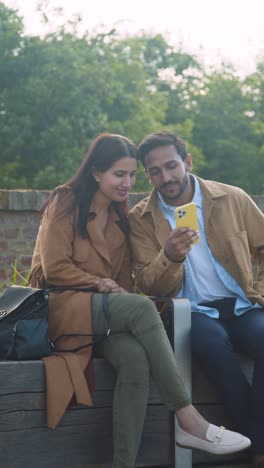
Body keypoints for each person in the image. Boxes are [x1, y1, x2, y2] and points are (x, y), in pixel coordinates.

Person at [30, 133, 250, 468]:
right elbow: (54, 267)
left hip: (104, 317)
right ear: (96, 173)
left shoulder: (122, 221)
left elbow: (124, 281)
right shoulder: (66, 201)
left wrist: (117, 289)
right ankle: (188, 418)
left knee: (135, 361)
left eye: (133, 175)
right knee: (142, 307)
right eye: (120, 174)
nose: (127, 182)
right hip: (63, 309)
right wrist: (99, 282)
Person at [128, 130, 264, 468]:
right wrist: (170, 256)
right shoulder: (140, 219)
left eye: (171, 166)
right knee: (212, 348)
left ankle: (255, 444)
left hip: (241, 303)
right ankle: (259, 449)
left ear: (187, 162)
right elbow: (147, 284)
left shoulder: (232, 198)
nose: (165, 177)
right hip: (189, 311)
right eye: (154, 171)